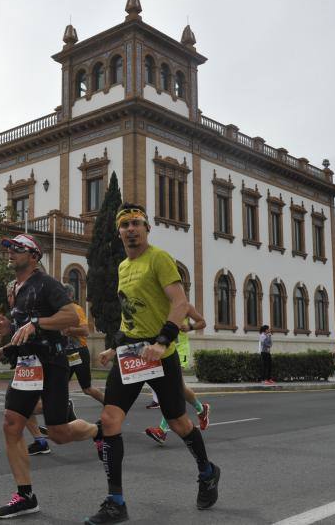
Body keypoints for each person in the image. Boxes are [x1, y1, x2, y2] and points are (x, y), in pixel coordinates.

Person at [86, 204, 220, 524]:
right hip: (132, 353)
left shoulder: (159, 258)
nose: (131, 229)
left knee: (178, 423)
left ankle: (207, 472)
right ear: (119, 232)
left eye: (137, 223)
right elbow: (130, 313)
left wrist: (162, 342)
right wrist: (114, 347)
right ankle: (116, 502)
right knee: (110, 419)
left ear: (147, 228)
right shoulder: (123, 267)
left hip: (161, 354)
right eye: (125, 225)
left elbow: (180, 303)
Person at [0, 234, 100, 519]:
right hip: (27, 365)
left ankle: (98, 432)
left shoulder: (47, 284)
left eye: (18, 249)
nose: (10, 252)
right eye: (9, 248)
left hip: (52, 364)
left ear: (34, 255)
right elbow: (24, 327)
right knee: (11, 424)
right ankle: (26, 496)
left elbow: (71, 317)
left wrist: (36, 324)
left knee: (59, 433)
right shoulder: (15, 288)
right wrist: (8, 338)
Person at [26, 283, 103, 456]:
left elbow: (85, 331)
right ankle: (61, 411)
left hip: (78, 352)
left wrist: (68, 330)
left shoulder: (75, 309)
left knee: (87, 388)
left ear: (68, 296)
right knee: (52, 391)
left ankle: (111, 406)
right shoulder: (56, 311)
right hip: (62, 356)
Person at [144, 302, 210, 445]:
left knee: (172, 389)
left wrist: (190, 327)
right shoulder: (158, 302)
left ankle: (162, 430)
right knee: (180, 388)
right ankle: (201, 409)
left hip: (179, 350)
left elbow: (202, 322)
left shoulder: (184, 306)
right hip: (164, 350)